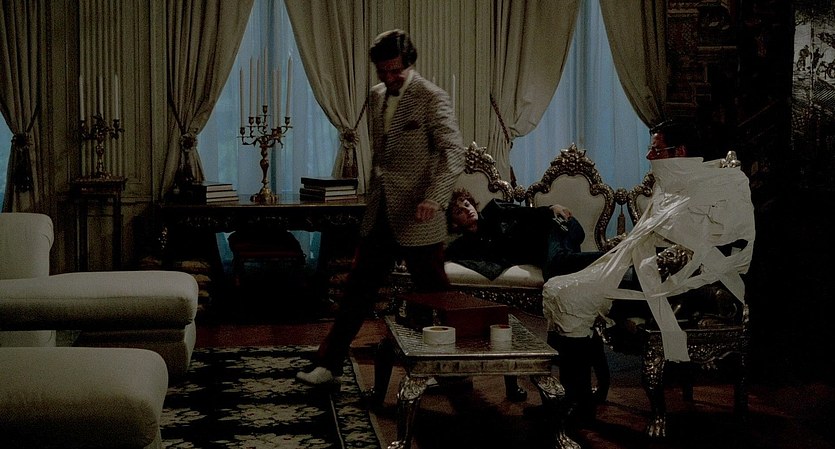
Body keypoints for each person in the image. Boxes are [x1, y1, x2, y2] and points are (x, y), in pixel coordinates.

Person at [541, 119, 756, 424]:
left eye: (656, 150)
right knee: (557, 288)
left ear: (679, 152)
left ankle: (577, 405)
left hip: (676, 286)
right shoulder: (675, 185)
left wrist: (656, 263)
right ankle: (575, 396)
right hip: (648, 271)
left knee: (569, 295)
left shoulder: (720, 187)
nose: (648, 157)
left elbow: (718, 250)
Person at [296, 29, 466, 386]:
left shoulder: (431, 97)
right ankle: (328, 365)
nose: (389, 78)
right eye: (383, 71)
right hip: (381, 214)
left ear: (409, 63)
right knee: (357, 290)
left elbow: (453, 153)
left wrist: (435, 197)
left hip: (420, 216)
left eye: (395, 71)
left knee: (437, 297)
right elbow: (382, 159)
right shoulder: (375, 96)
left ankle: (455, 373)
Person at [445, 188, 610, 403]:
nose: (467, 210)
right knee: (558, 274)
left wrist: (551, 208)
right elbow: (445, 253)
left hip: (557, 226)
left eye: (467, 204)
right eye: (459, 211)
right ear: (454, 223)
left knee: (557, 265)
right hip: (549, 248)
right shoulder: (466, 244)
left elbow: (526, 213)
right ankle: (576, 395)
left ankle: (614, 256)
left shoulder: (494, 209)